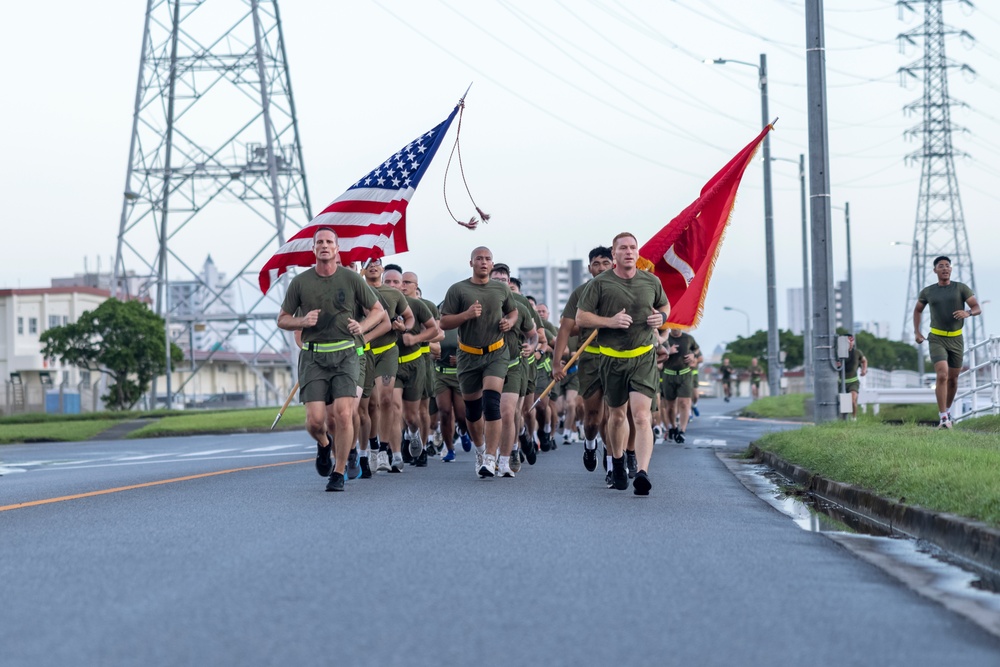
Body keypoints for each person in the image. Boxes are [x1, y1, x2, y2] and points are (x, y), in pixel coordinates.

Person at [277, 227, 385, 492]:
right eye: (319, 242)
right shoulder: (301, 282)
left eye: (329, 242)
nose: (324, 246)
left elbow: (377, 311)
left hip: (346, 354)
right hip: (314, 356)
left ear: (337, 249)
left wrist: (363, 327)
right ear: (313, 249)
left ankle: (338, 473)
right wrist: (302, 321)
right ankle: (325, 445)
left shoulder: (351, 279)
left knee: (343, 414)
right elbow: (282, 319)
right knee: (315, 421)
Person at [576, 232, 670, 496]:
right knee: (617, 416)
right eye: (623, 248)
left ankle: (642, 472)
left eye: (632, 248)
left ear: (637, 253)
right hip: (611, 359)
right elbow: (581, 318)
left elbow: (664, 305)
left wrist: (661, 317)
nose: (629, 252)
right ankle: (617, 460)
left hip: (643, 357)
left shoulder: (650, 281)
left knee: (641, 416)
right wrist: (610, 322)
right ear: (614, 254)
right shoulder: (600, 284)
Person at [439, 246, 518, 477]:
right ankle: (481, 450)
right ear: (471, 262)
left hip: (496, 353)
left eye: (488, 259)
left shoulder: (501, 289)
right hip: (468, 355)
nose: (484, 262)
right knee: (471, 413)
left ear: (492, 264)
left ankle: (491, 458)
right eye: (479, 259)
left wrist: (509, 323)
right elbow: (444, 323)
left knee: (492, 404)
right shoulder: (458, 289)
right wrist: (466, 315)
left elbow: (512, 312)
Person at [553, 246, 614, 474]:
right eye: (596, 264)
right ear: (589, 268)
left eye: (605, 263)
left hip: (617, 358)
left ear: (613, 264)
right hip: (589, 359)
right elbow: (565, 329)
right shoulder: (579, 293)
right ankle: (589, 445)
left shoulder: (622, 289)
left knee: (613, 415)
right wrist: (556, 362)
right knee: (592, 418)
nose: (601, 268)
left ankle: (612, 466)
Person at [913, 255, 982, 428]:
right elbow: (918, 310)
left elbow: (977, 307)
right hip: (936, 338)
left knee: (953, 379)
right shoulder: (928, 291)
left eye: (947, 266)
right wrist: (917, 332)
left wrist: (968, 313)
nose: (945, 268)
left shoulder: (961, 288)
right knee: (942, 374)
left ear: (951, 269)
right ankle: (943, 417)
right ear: (935, 270)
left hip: (956, 338)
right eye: (941, 266)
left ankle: (948, 411)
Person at [363, 259, 414, 473]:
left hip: (387, 351)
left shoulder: (394, 294)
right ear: (363, 268)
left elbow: (409, 318)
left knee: (385, 399)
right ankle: (371, 446)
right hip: (363, 352)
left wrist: (404, 327)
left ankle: (384, 450)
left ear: (382, 269)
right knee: (369, 405)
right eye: (369, 263)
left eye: (377, 263)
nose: (373, 266)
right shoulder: (357, 289)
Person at [658, 328, 700, 443]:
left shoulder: (688, 338)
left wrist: (692, 355)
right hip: (668, 375)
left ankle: (682, 431)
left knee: (684, 403)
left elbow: (696, 350)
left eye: (679, 326)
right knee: (670, 407)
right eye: (674, 326)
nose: (676, 328)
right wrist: (668, 351)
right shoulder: (665, 337)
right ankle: (673, 427)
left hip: (685, 375)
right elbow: (656, 351)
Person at [838, 335, 867, 419]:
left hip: (853, 382)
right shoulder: (838, 353)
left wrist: (864, 370)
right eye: (848, 341)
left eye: (851, 341)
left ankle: (854, 418)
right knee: (844, 403)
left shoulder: (857, 352)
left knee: (852, 400)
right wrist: (837, 364)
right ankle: (844, 419)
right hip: (842, 382)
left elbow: (864, 361)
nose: (850, 343)